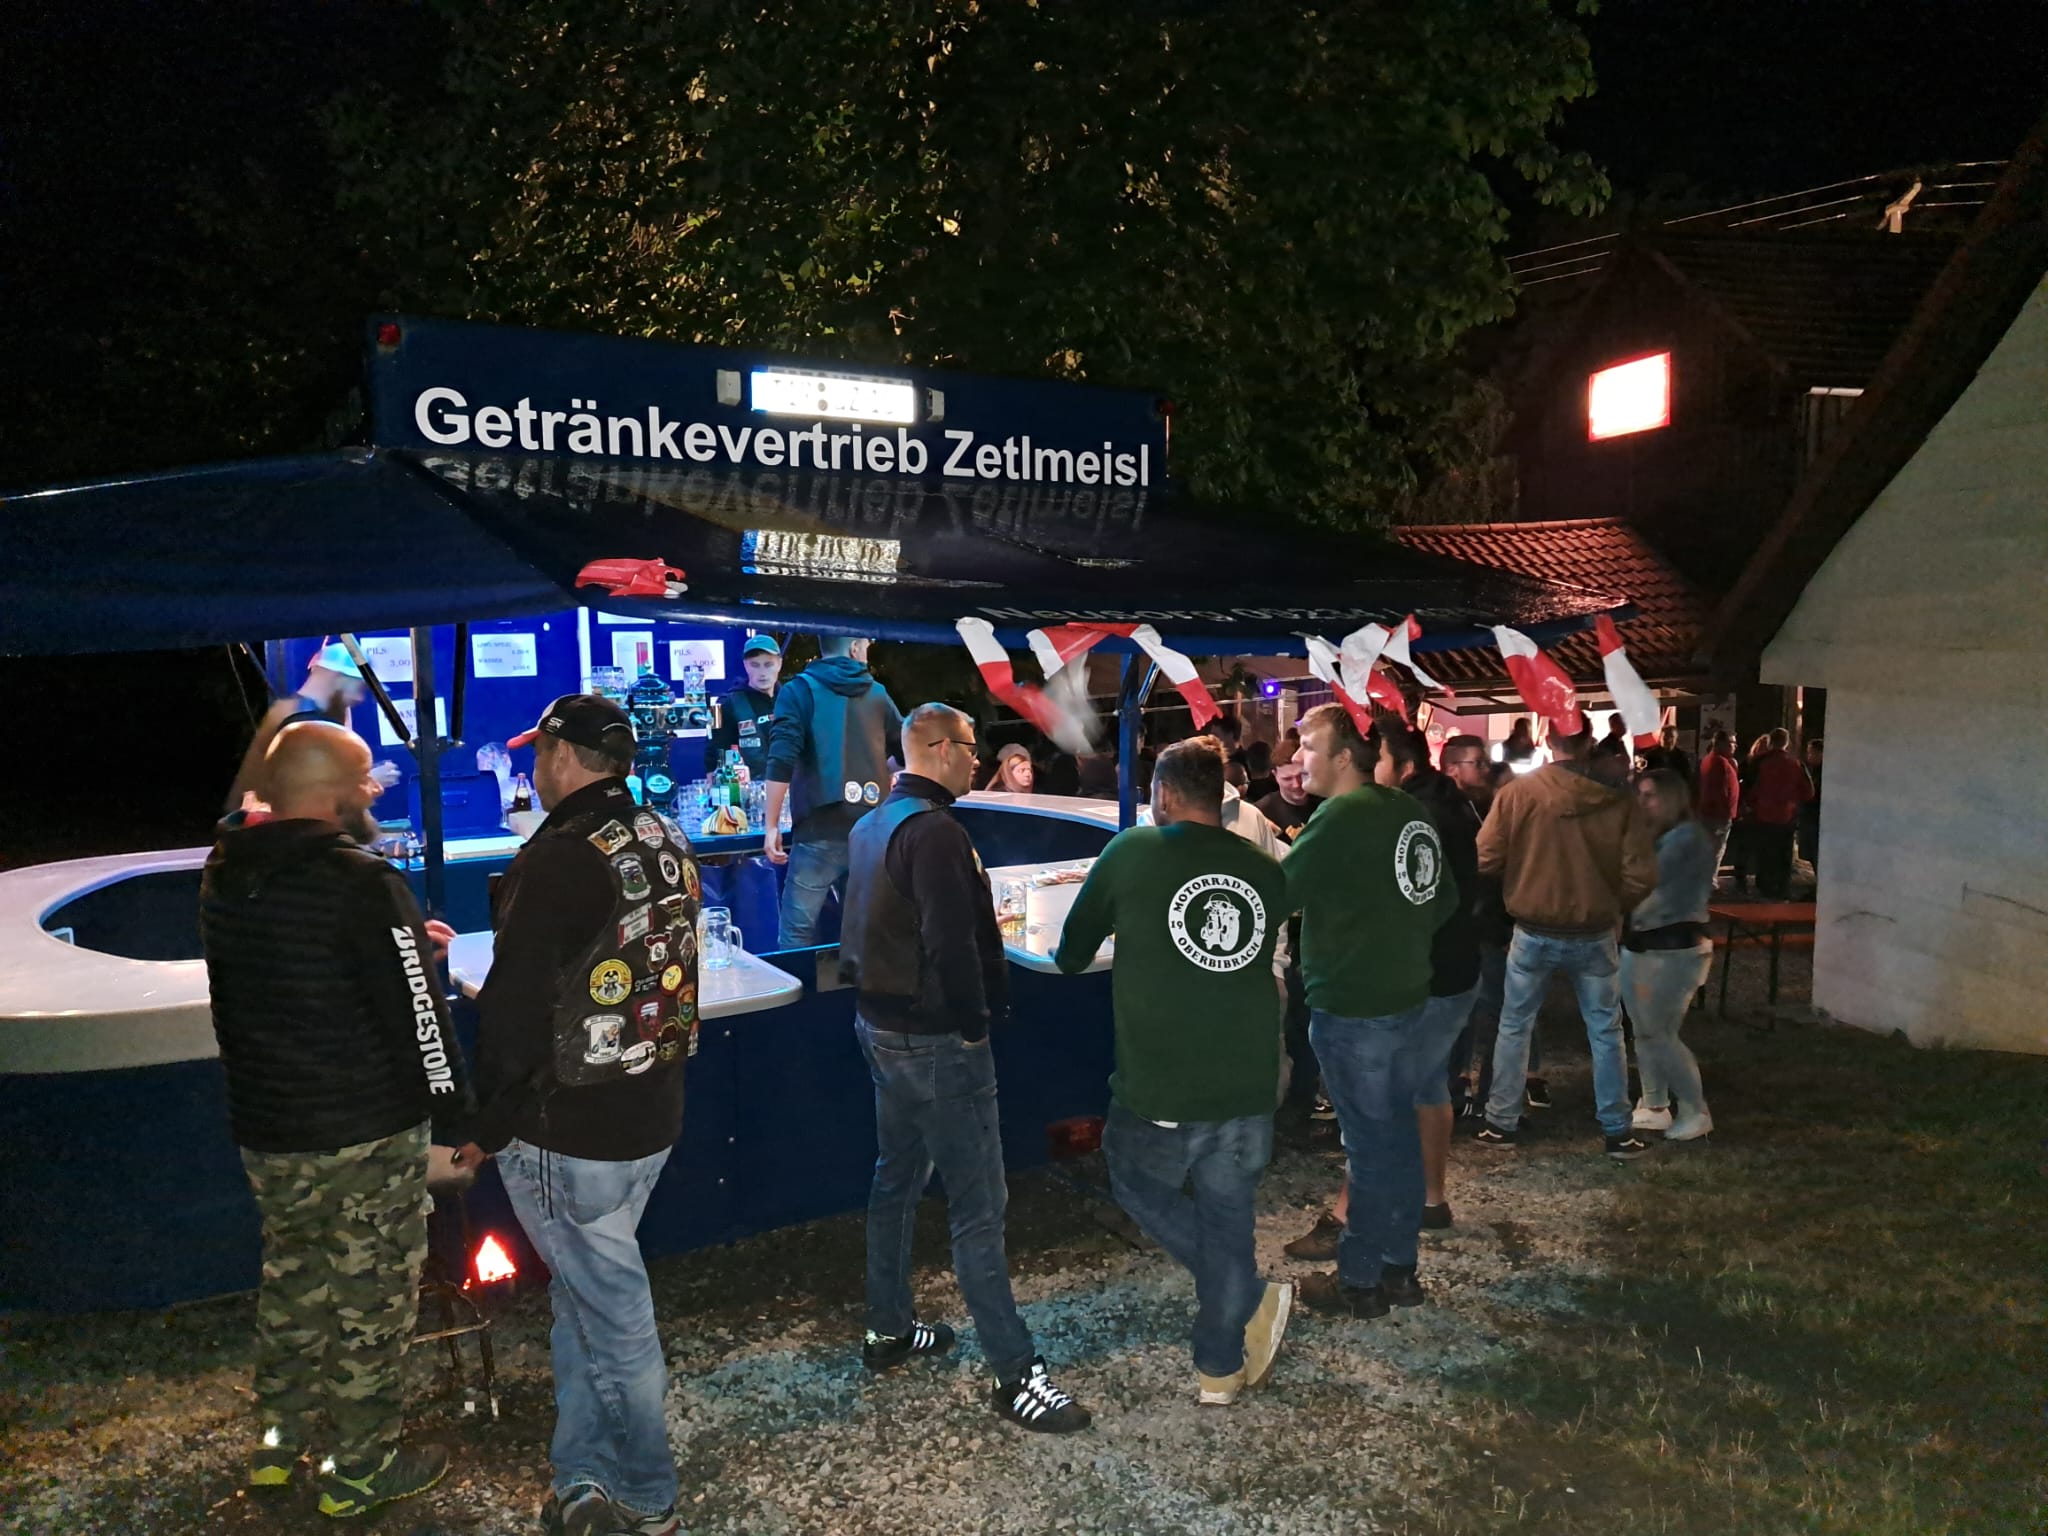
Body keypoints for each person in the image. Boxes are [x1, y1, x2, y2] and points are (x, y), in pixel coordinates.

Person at [198, 721, 468, 1519]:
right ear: (331, 792)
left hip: (269, 1127)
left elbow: (298, 965)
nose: (373, 791)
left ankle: (277, 1447)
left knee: (292, 1283)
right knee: (370, 1302)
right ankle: (359, 1470)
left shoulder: (226, 870)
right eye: (364, 778)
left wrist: (398, 945)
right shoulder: (360, 880)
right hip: (362, 1129)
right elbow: (418, 1018)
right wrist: (460, 1115)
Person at [458, 695, 698, 1536]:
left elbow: (514, 1011)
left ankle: (648, 1497)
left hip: (570, 1131)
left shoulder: (560, 856)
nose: (534, 765)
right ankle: (583, 1475)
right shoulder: (664, 834)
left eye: (539, 752)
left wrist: (482, 1127)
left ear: (562, 757)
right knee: (586, 1302)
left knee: (615, 1321)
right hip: (651, 1115)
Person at [838, 703, 1091, 1434]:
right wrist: (977, 1026)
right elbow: (952, 944)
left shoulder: (872, 825)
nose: (977, 759)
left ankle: (888, 1325)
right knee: (979, 1208)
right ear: (940, 749)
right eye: (971, 747)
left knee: (896, 1178)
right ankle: (1016, 1374)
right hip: (937, 1042)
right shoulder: (936, 832)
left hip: (880, 1028)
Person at [1055, 738, 1293, 1405]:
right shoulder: (1264, 868)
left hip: (1163, 1082)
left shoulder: (1130, 852)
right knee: (1228, 1216)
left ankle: (1246, 1296)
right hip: (1248, 1077)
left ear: (1162, 794)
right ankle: (1218, 1369)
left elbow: (1072, 954)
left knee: (1135, 1180)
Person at [1283, 705, 1459, 1317]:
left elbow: (1278, 891)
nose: (1297, 758)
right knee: (1398, 1139)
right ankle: (1398, 1270)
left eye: (1308, 746)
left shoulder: (1340, 816)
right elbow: (1441, 899)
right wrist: (1393, 936)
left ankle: (1358, 1282)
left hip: (1354, 1006)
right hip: (1409, 997)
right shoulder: (1408, 811)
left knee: (1369, 1148)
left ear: (1342, 757)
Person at [1473, 719, 1658, 1161]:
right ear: (1589, 742)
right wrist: (1611, 903)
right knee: (1606, 1031)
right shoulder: (1618, 800)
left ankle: (1501, 1120)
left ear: (1547, 740)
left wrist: (1522, 877)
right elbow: (1641, 874)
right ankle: (1616, 1129)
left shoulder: (1517, 794)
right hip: (1594, 930)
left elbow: (1485, 857)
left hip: (1532, 927)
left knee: (1514, 1026)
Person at [763, 636, 905, 947]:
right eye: (865, 645)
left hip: (819, 829)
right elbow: (906, 752)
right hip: (871, 829)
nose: (867, 651)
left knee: (796, 934)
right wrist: (879, 769)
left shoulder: (798, 690)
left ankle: (797, 982)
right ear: (854, 647)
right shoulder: (877, 693)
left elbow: (782, 758)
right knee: (871, 932)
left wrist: (771, 824)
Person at [1440, 734, 1546, 1116]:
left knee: (1496, 1012)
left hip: (1491, 925)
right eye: (1478, 763)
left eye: (1485, 762)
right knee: (1465, 1013)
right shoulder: (1444, 811)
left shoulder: (1490, 806)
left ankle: (1488, 1093)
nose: (1485, 769)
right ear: (1452, 768)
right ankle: (1458, 1087)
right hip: (1461, 925)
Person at [1624, 770, 1719, 1142]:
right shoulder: (1665, 836)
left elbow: (1643, 879)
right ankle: (1654, 1104)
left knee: (1659, 1032)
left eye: (1650, 795)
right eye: (1640, 795)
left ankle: (1695, 1108)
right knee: (1646, 1030)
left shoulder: (1686, 838)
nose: (1643, 803)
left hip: (1674, 947)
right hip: (1646, 943)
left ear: (1671, 798)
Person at [227, 642, 395, 842]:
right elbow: (299, 794)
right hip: (295, 841)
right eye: (358, 687)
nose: (359, 698)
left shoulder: (318, 714)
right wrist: (363, 781)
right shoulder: (299, 725)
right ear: (336, 676)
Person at [703, 633, 783, 779]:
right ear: (745, 665)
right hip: (746, 788)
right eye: (755, 665)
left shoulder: (791, 700)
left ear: (779, 664)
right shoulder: (724, 704)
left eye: (768, 665)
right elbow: (713, 756)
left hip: (791, 786)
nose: (762, 673)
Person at [1747, 728, 1814, 900]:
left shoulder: (1759, 762)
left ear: (1770, 742)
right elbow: (1808, 792)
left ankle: (1764, 887)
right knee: (1784, 855)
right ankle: (1782, 889)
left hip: (1763, 815)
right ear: (1786, 743)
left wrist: (1754, 804)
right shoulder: (1796, 764)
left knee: (1765, 853)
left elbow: (1748, 788)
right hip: (1787, 817)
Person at [1695, 730, 1741, 880]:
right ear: (1721, 744)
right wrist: (1726, 813)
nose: (1735, 746)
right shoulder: (1719, 763)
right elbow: (1721, 791)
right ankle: (1709, 881)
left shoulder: (1711, 760)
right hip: (1717, 815)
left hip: (1710, 812)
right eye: (1732, 743)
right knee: (1715, 850)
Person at [1253, 751, 1322, 844]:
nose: (1296, 785)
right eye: (1287, 779)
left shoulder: (1326, 800)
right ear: (1275, 775)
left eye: (1301, 776)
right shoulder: (1260, 812)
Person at [1797, 737, 1824, 879]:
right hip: (1810, 817)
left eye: (1811, 752)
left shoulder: (1822, 773)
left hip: (1815, 818)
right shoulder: (1814, 771)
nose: (1809, 756)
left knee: (1816, 852)